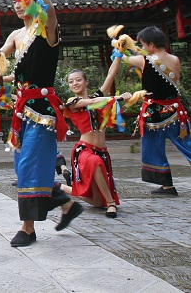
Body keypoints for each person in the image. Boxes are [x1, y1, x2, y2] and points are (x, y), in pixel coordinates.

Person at [0, 0, 82, 247]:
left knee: (29, 165)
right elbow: (2, 54)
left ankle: (28, 228)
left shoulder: (47, 29)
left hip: (42, 112)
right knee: (23, 165)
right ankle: (67, 205)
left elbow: (51, 10)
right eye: (15, 0)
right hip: (21, 111)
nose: (18, 4)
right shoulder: (17, 34)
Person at [126, 26, 191, 196]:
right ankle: (167, 187)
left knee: (153, 148)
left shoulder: (145, 60)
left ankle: (167, 185)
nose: (143, 48)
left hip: (154, 114)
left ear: (152, 44)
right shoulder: (175, 59)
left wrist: (120, 46)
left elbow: (125, 58)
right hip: (174, 111)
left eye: (143, 44)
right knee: (187, 144)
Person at [61, 57, 129, 218]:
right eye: (71, 82)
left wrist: (118, 54)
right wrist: (115, 98)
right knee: (95, 162)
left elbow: (111, 75)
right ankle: (111, 204)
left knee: (98, 203)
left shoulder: (96, 97)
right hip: (85, 150)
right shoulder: (72, 102)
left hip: (101, 151)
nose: (75, 83)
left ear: (86, 82)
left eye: (78, 80)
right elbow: (94, 102)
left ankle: (61, 188)